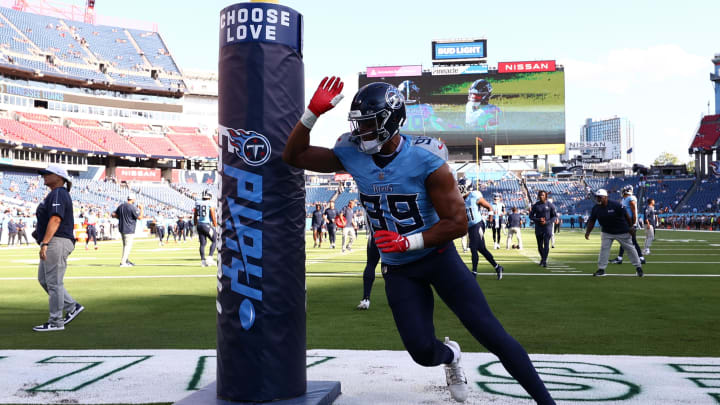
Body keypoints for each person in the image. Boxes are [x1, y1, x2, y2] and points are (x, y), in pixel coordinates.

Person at [283, 77, 555, 404]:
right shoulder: (349, 151)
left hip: (438, 258)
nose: (361, 133)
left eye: (369, 125)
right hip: (399, 270)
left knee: (492, 335)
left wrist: (406, 242)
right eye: (359, 125)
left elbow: (456, 223)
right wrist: (312, 113)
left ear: (391, 122)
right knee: (423, 353)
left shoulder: (427, 158)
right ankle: (451, 356)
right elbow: (294, 155)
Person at [33, 164, 84, 332]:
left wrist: (45, 242)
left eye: (49, 173)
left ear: (59, 177)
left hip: (57, 240)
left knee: (53, 282)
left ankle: (56, 321)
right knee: (44, 279)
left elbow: (56, 219)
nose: (44, 176)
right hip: (55, 240)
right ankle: (72, 307)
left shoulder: (58, 193)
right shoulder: (55, 193)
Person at [584, 189, 643, 277]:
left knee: (630, 249)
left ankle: (638, 267)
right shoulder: (596, 208)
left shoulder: (616, 205)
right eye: (597, 197)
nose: (598, 199)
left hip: (622, 231)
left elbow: (626, 215)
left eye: (600, 197)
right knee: (604, 249)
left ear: (605, 197)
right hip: (607, 232)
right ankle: (601, 269)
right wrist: (588, 232)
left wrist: (631, 226)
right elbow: (592, 221)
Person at [460, 180, 503, 279]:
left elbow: (489, 207)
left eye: (461, 187)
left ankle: (474, 272)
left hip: (478, 224)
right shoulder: (460, 200)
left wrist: (491, 220)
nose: (459, 189)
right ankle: (497, 267)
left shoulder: (474, 196)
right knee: (481, 249)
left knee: (473, 247)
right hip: (470, 227)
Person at [611, 185, 646, 265]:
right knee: (624, 240)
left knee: (632, 241)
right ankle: (620, 258)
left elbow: (634, 211)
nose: (622, 191)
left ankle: (641, 258)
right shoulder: (625, 199)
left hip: (629, 222)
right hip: (625, 222)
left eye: (624, 190)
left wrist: (633, 223)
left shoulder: (631, 198)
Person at [357, 211, 380, 310]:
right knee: (396, 267)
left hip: (375, 236)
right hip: (393, 236)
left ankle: (366, 299)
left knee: (370, 264)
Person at [113, 193, 142, 267]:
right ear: (133, 199)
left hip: (122, 228)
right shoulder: (132, 207)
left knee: (125, 245)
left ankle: (126, 260)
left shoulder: (121, 206)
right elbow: (140, 217)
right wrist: (141, 209)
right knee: (127, 246)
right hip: (129, 229)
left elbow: (114, 215)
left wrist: (122, 218)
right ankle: (123, 262)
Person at [529, 190, 557, 267]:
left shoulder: (550, 205)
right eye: (540, 195)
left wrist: (547, 222)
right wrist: (538, 220)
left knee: (546, 243)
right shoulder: (535, 205)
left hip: (548, 227)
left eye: (543, 195)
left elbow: (554, 216)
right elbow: (531, 216)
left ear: (546, 196)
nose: (541, 196)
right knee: (539, 245)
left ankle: (544, 261)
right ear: (538, 196)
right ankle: (543, 258)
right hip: (538, 227)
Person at [194, 189, 218, 267]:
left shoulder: (197, 202)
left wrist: (195, 225)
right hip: (206, 225)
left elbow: (195, 215)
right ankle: (210, 258)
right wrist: (215, 225)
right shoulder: (211, 203)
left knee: (202, 244)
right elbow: (213, 215)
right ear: (210, 195)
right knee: (215, 240)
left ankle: (203, 261)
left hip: (199, 225)